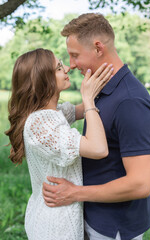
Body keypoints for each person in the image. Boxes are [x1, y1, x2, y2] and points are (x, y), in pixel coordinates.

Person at [43, 13, 150, 240]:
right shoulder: (101, 88)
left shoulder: (130, 101)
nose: (71, 64)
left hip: (113, 228)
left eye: (75, 55)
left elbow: (140, 184)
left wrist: (74, 193)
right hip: (94, 215)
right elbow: (58, 115)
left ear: (98, 48)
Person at [5, 48, 113, 240]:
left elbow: (77, 112)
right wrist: (88, 100)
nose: (66, 69)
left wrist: (98, 81)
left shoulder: (53, 115)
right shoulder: (40, 123)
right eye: (58, 68)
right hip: (55, 228)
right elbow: (98, 149)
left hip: (57, 219)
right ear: (43, 80)